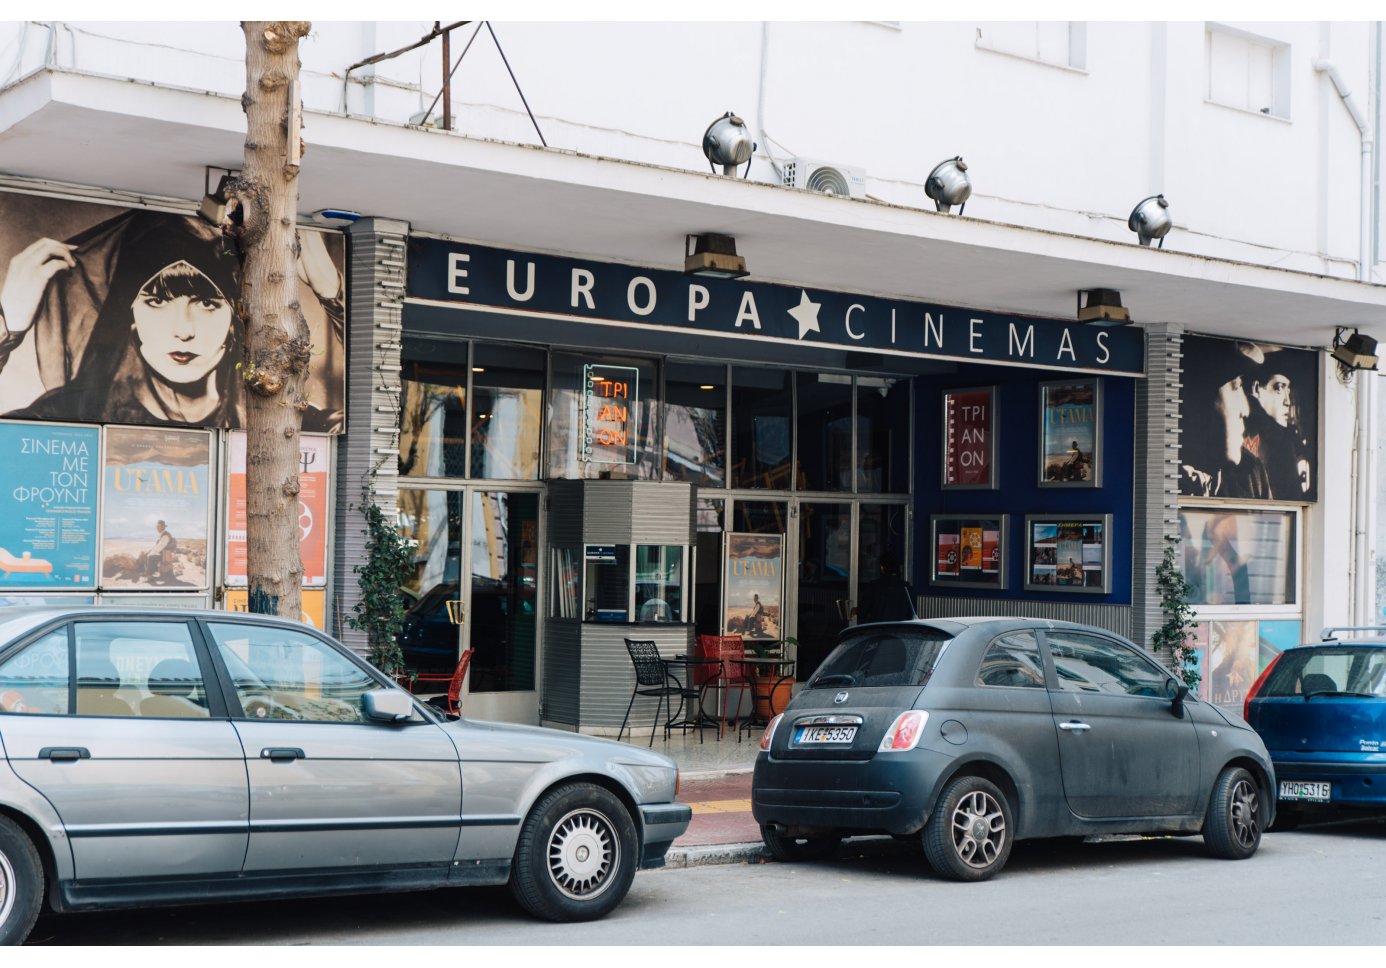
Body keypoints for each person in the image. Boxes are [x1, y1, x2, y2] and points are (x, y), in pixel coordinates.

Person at [0, 209, 344, 431]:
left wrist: (334, 296)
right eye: (158, 301)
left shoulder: (279, 420)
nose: (183, 331)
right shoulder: (70, 411)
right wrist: (7, 329)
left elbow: (379, 427)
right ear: (130, 316)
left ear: (232, 320)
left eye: (207, 303)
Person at [1179, 338, 1270, 499]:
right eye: (1236, 387)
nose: (1246, 410)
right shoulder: (1158, 474)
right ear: (1199, 401)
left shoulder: (1254, 475)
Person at [1242, 347, 1312, 500]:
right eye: (1279, 388)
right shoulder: (1277, 440)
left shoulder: (1241, 427)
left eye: (1288, 390)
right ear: (1256, 389)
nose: (1287, 401)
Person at [855, 551, 918, 624]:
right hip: (900, 632)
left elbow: (862, 612)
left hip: (876, 631)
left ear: (882, 568)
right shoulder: (908, 588)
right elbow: (912, 616)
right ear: (898, 568)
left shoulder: (873, 586)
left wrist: (856, 610)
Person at [138, 520, 177, 585]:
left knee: (150, 556)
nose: (157, 528)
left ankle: (149, 575)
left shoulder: (165, 536)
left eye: (158, 527)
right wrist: (150, 551)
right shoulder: (162, 534)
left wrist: (150, 553)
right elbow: (157, 546)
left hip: (165, 555)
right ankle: (148, 572)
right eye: (157, 526)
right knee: (147, 554)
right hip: (163, 553)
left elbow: (159, 548)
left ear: (163, 527)